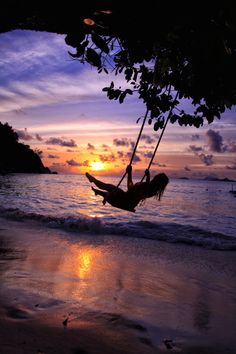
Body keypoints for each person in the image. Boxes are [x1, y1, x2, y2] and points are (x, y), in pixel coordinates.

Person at [85, 165, 169, 212]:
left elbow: (145, 192)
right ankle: (98, 188)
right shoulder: (148, 187)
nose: (154, 179)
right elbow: (131, 187)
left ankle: (99, 189)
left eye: (155, 179)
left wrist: (148, 176)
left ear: (158, 182)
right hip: (125, 198)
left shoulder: (151, 191)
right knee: (110, 187)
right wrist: (129, 173)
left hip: (125, 202)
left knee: (110, 188)